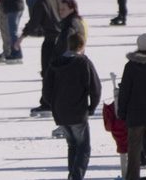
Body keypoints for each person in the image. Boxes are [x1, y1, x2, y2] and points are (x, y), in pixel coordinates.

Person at [43, 33, 102, 180]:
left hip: (61, 113)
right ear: (82, 46)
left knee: (72, 145)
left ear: (69, 45)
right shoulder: (83, 62)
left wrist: (55, 106)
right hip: (78, 112)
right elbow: (95, 88)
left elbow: (46, 91)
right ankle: (75, 176)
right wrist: (92, 107)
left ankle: (72, 174)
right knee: (84, 147)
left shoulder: (55, 63)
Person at [117, 32, 146, 180]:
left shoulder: (130, 66)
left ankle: (132, 177)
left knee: (134, 150)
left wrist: (122, 112)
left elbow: (125, 91)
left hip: (135, 115)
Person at [14, 0, 62, 117]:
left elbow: (34, 23)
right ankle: (55, 101)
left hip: (51, 41)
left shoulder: (41, 2)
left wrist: (21, 38)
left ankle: (47, 103)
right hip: (63, 39)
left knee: (47, 72)